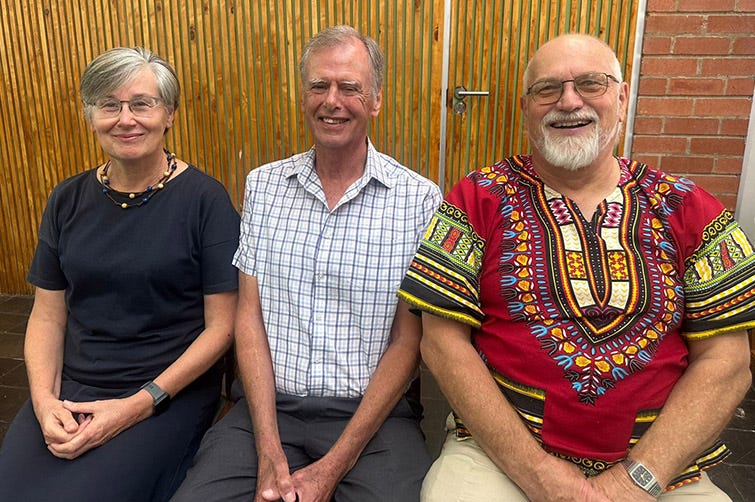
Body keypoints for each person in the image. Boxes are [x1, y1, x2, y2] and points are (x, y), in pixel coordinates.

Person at [398, 33, 754, 501]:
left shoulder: (690, 208)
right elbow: (442, 344)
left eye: (590, 83)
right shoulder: (477, 197)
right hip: (498, 456)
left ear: (622, 98)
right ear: (526, 108)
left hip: (661, 469)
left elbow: (728, 362)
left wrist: (635, 480)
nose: (568, 102)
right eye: (547, 89)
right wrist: (537, 473)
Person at [172, 25, 442, 502]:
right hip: (267, 408)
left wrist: (333, 466)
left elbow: (407, 340)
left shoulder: (418, 200)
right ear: (303, 96)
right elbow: (248, 316)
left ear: (376, 100)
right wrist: (268, 448)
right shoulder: (264, 187)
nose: (331, 101)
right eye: (319, 85)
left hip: (371, 416)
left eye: (349, 87)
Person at [0, 47, 240, 501]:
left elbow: (222, 328)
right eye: (109, 105)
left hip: (165, 392)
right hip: (73, 386)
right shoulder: (66, 199)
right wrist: (44, 401)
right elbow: (47, 315)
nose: (125, 119)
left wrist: (137, 406)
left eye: (142, 104)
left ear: (169, 115)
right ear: (91, 116)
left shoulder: (206, 202)